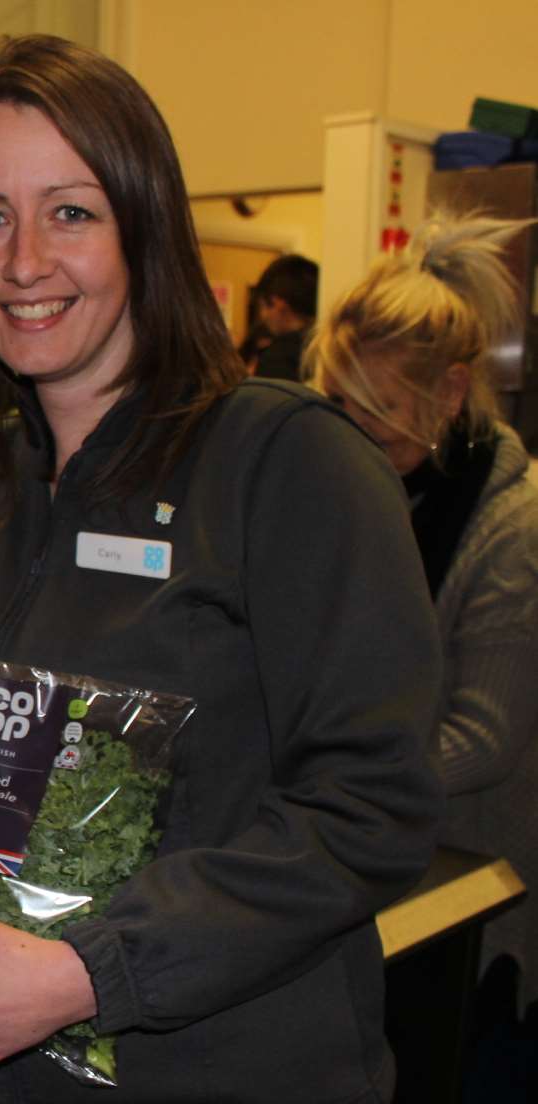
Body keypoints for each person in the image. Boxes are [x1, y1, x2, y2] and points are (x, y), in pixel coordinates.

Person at [0, 35, 443, 1104]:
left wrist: (87, 971)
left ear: (143, 225)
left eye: (69, 211)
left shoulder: (287, 464)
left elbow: (369, 806)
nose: (22, 263)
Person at [307, 213, 538, 1006]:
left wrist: (327, 780)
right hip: (377, 860)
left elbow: (484, 739)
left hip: (475, 876)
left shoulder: (514, 530)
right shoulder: (368, 496)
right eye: (338, 400)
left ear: (450, 392)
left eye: (379, 408)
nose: (353, 431)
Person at [248, 252, 319, 380]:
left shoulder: (276, 358)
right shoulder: (329, 348)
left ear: (277, 303)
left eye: (262, 306)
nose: (263, 317)